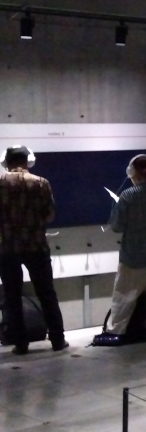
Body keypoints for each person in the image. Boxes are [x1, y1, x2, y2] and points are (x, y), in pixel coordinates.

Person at [94, 154, 146, 346]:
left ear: (132, 172)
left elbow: (117, 226)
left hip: (134, 256)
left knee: (124, 295)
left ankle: (115, 332)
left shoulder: (128, 195)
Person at [0, 145, 66, 354]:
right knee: (46, 293)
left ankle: (20, 344)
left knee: (12, 296)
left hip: (7, 246)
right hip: (36, 245)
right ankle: (57, 340)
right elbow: (50, 215)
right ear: (28, 161)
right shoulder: (41, 183)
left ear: (6, 162)